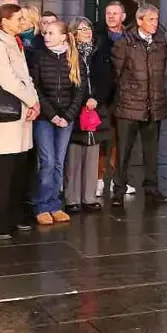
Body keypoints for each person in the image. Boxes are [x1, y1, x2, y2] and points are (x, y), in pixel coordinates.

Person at [0, 4, 40, 240]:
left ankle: (12, 217)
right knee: (1, 172)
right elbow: (8, 81)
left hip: (22, 113)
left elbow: (25, 76)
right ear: (4, 21)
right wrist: (31, 100)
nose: (22, 22)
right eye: (18, 19)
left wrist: (34, 101)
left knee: (16, 171)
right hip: (4, 117)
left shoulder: (13, 41)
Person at [111, 4, 167, 206]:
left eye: (156, 19)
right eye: (151, 19)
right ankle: (118, 189)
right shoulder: (125, 43)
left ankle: (152, 188)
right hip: (128, 106)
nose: (155, 23)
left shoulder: (161, 41)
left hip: (154, 106)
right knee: (124, 152)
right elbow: (115, 74)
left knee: (151, 152)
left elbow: (159, 73)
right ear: (139, 21)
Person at [29, 21, 85, 225]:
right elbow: (35, 88)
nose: (46, 36)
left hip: (66, 118)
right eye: (45, 33)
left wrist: (69, 116)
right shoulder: (39, 56)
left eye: (52, 33)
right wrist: (52, 114)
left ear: (63, 36)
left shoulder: (74, 58)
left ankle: (54, 204)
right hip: (45, 117)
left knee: (59, 162)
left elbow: (80, 90)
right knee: (47, 161)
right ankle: (42, 205)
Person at [64, 17, 113, 213]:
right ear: (74, 33)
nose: (87, 32)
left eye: (88, 28)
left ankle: (89, 197)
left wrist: (97, 99)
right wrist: (83, 99)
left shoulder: (99, 52)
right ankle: (72, 198)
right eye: (82, 30)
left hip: (95, 108)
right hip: (76, 107)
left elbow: (107, 78)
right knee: (74, 155)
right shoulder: (69, 54)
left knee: (93, 153)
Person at [93, 1, 126, 196]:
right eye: (108, 13)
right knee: (102, 139)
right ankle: (98, 178)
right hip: (103, 96)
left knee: (120, 140)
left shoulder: (129, 37)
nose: (111, 16)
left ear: (123, 17)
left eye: (115, 13)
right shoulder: (98, 36)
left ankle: (116, 178)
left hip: (124, 97)